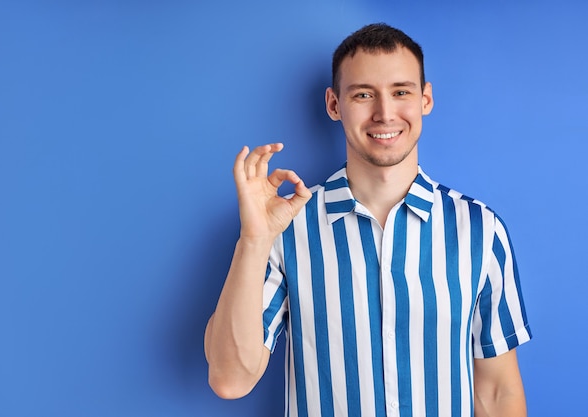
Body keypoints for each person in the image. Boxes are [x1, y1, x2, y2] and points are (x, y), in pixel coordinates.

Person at [204, 23, 532, 417]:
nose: (384, 113)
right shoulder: (286, 227)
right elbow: (230, 379)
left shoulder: (478, 229)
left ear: (425, 99)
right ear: (334, 104)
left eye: (401, 92)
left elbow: (497, 393)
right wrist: (254, 239)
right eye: (363, 94)